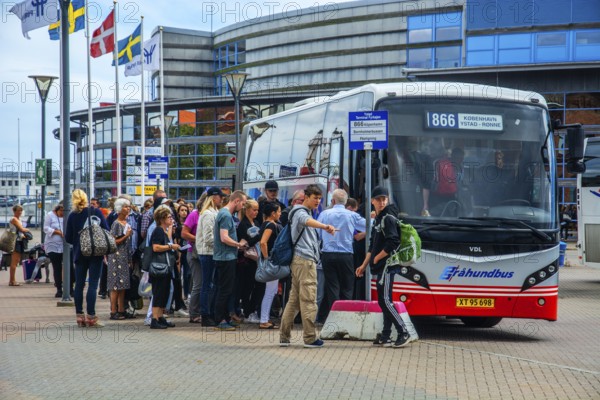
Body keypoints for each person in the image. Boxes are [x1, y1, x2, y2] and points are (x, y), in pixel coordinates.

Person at [356, 186, 416, 348]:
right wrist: (364, 264)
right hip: (381, 267)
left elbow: (393, 241)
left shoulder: (388, 218)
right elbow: (372, 245)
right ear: (373, 201)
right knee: (383, 301)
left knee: (386, 301)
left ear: (387, 200)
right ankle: (385, 335)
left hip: (388, 266)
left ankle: (403, 332)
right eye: (379, 199)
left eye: (384, 199)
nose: (382, 202)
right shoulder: (379, 219)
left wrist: (378, 257)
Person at [279, 184, 336, 348]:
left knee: (294, 300)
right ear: (306, 197)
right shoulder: (301, 212)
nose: (318, 201)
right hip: (304, 261)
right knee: (309, 299)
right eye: (315, 198)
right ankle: (310, 338)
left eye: (320, 198)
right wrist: (324, 226)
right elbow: (307, 222)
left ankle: (284, 337)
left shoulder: (300, 211)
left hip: (299, 260)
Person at [317, 189, 366, 322]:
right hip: (346, 255)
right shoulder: (351, 215)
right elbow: (368, 226)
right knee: (347, 287)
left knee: (332, 287)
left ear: (333, 201)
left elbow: (318, 234)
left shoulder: (324, 214)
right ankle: (345, 318)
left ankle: (334, 319)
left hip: (327, 255)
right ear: (345, 202)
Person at [65, 189, 110, 327]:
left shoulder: (72, 215)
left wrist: (79, 242)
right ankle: (91, 317)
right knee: (93, 285)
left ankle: (79, 316)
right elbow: (106, 229)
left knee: (79, 285)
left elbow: (68, 237)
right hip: (96, 253)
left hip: (80, 253)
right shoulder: (96, 212)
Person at [213, 190, 248, 331]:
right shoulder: (226, 215)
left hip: (227, 257)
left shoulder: (225, 214)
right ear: (236, 201)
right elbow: (224, 237)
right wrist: (238, 244)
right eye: (243, 203)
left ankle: (225, 318)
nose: (243, 206)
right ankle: (219, 320)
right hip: (225, 258)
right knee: (224, 290)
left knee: (227, 289)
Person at [195, 188, 225, 326]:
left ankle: (209, 313)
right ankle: (205, 315)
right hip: (207, 253)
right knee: (207, 285)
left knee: (211, 285)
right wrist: (222, 245)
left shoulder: (214, 212)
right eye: (220, 196)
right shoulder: (208, 214)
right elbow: (208, 238)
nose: (222, 199)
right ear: (213, 198)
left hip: (211, 252)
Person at [149, 206, 181, 329]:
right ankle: (155, 318)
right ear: (162, 219)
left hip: (165, 267)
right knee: (158, 293)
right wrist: (170, 246)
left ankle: (160, 317)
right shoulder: (157, 230)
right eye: (169, 217)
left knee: (164, 292)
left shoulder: (163, 231)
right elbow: (155, 247)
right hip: (159, 267)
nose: (171, 219)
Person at [236, 199, 263, 322]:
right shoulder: (243, 225)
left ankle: (252, 310)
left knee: (257, 286)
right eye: (254, 209)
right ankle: (247, 312)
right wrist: (259, 237)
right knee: (247, 287)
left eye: (257, 210)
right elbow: (244, 243)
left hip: (256, 258)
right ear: (247, 210)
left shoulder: (256, 222)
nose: (256, 212)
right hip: (246, 260)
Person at [107, 198, 134, 320]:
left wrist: (129, 258)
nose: (128, 209)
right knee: (115, 285)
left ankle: (122, 309)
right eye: (125, 207)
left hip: (124, 256)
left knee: (123, 285)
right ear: (119, 209)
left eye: (128, 207)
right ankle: (113, 310)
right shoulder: (116, 223)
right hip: (116, 256)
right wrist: (126, 236)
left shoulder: (126, 223)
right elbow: (113, 241)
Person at [184, 193, 208, 324]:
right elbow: (184, 233)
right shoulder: (194, 215)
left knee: (205, 283)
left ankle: (201, 311)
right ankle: (193, 313)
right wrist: (198, 238)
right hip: (194, 253)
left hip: (205, 253)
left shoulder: (209, 214)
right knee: (198, 283)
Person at [258, 202, 282, 329]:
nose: (280, 214)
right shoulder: (271, 225)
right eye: (278, 211)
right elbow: (263, 243)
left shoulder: (264, 224)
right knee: (270, 291)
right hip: (271, 263)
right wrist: (267, 258)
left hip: (268, 262)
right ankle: (264, 320)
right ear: (272, 214)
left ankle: (264, 319)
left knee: (270, 291)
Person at [44, 203, 72, 297]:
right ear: (57, 209)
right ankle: (59, 289)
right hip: (53, 245)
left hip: (66, 245)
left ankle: (70, 288)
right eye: (61, 211)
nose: (62, 213)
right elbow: (46, 228)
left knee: (69, 266)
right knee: (57, 267)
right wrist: (57, 232)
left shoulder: (69, 215)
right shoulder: (50, 215)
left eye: (64, 211)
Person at [7, 205, 31, 286]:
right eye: (18, 211)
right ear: (14, 211)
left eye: (21, 210)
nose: (20, 212)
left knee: (16, 261)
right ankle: (12, 281)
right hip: (15, 241)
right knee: (14, 261)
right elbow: (22, 229)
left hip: (19, 241)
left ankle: (12, 280)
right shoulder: (14, 219)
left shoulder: (19, 219)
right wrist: (28, 230)